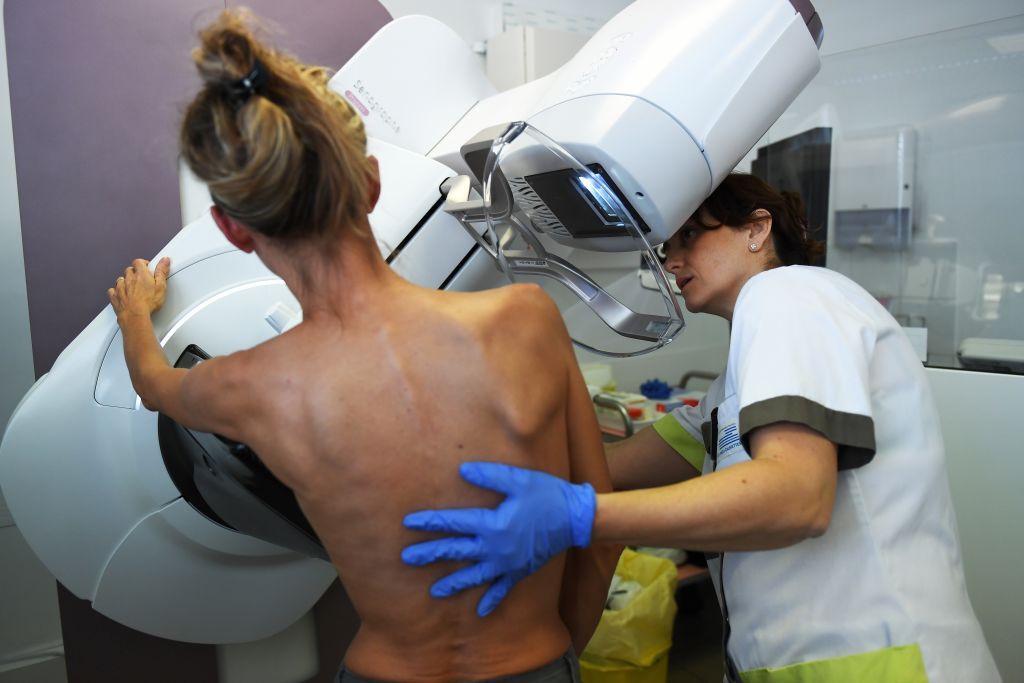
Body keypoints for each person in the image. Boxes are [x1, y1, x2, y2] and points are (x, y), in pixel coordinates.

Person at [108, 10, 620, 682]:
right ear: (372, 184)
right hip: (535, 660)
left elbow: (151, 382)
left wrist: (136, 315)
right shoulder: (526, 320)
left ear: (233, 232)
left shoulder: (248, 387)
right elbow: (599, 533)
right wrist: (558, 657)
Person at [402, 173, 1002, 682]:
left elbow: (797, 498)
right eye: (666, 246)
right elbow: (637, 459)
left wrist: (578, 515)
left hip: (873, 662)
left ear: (756, 230)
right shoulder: (737, 377)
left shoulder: (788, 294)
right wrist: (509, 477)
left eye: (690, 235)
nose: (671, 261)